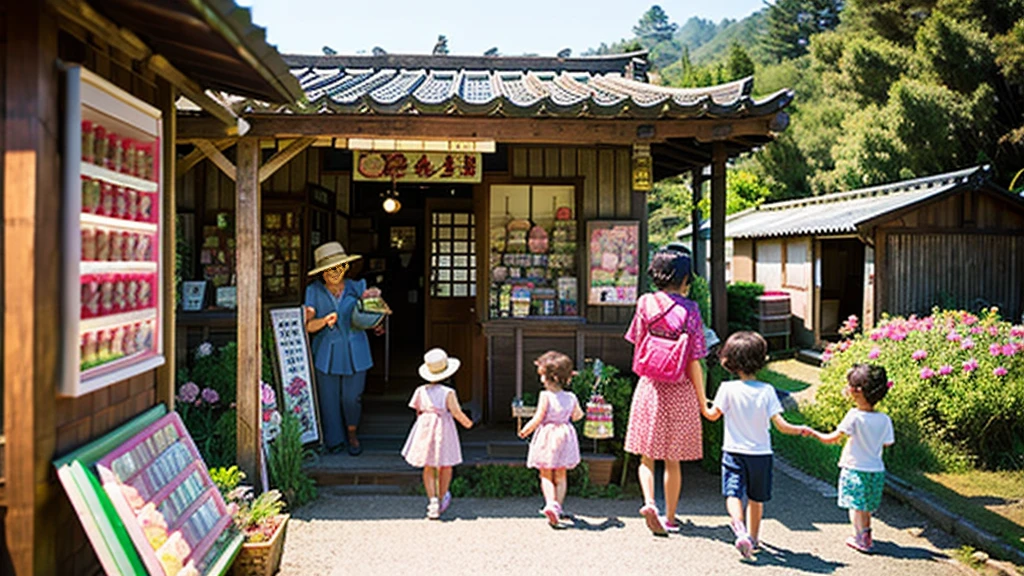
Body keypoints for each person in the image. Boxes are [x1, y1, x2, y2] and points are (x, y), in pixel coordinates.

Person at [624, 249, 710, 536]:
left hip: (650, 385)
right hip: (680, 388)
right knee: (672, 459)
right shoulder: (691, 310)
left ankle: (650, 503)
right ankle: (671, 518)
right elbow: (695, 360)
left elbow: (637, 342)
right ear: (685, 277)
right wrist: (702, 402)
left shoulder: (645, 303)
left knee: (646, 456)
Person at [702, 331, 809, 558]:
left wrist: (702, 403)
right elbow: (781, 425)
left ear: (729, 360)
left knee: (732, 493)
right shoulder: (767, 391)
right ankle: (754, 537)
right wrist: (801, 430)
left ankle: (737, 527)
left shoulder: (727, 389)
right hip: (761, 454)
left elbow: (712, 415)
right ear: (761, 359)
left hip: (733, 452)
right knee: (756, 497)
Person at [304, 241, 384, 456]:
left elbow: (372, 312)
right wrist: (323, 320)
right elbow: (308, 326)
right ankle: (334, 439)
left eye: (338, 267)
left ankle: (352, 433)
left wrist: (376, 320)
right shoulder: (313, 291)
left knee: (352, 397)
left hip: (356, 350)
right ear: (321, 273)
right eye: (329, 270)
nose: (334, 273)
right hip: (326, 352)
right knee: (328, 398)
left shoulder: (357, 287)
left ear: (345, 267)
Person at [806, 363, 894, 553]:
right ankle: (866, 534)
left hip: (855, 467)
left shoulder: (854, 416)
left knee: (855, 505)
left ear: (856, 391)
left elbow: (833, 438)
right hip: (876, 470)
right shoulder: (884, 419)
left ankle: (861, 537)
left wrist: (813, 433)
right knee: (867, 506)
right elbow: (887, 443)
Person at [402, 348, 473, 519]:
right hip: (443, 428)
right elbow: (456, 412)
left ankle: (432, 501)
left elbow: (417, 411)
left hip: (425, 428)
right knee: (446, 464)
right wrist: (468, 423)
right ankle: (442, 497)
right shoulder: (448, 392)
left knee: (429, 465)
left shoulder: (420, 391)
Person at [517, 351, 584, 526]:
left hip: (547, 436)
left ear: (550, 377)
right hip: (565, 436)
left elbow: (538, 417)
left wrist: (526, 429)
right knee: (561, 474)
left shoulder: (545, 396)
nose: (541, 380)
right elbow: (577, 416)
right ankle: (558, 508)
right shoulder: (571, 397)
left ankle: (550, 504)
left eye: (542, 376)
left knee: (546, 473)